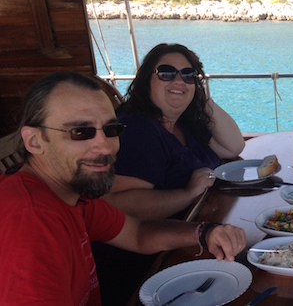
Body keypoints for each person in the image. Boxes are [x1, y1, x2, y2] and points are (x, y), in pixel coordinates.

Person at [0, 71, 246, 305]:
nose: (105, 147)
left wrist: (205, 233)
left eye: (111, 130)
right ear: (34, 141)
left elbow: (136, 233)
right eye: (80, 131)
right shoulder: (29, 223)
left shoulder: (71, 193)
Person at [93, 43, 245, 305]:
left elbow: (234, 146)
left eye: (188, 74)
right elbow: (120, 205)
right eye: (166, 73)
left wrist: (196, 94)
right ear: (145, 80)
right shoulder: (139, 129)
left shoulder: (181, 123)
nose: (178, 80)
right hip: (148, 267)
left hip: (193, 238)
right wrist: (187, 193)